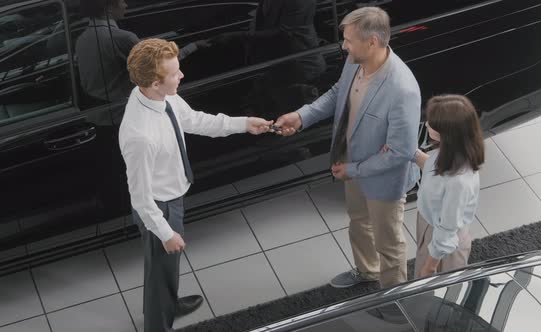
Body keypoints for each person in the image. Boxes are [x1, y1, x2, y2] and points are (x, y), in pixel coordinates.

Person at [119, 38, 272, 332]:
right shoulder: (140, 135)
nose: (182, 76)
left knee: (166, 266)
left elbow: (195, 121)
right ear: (153, 82)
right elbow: (139, 198)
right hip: (158, 208)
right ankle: (157, 324)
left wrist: (243, 124)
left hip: (170, 197)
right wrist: (165, 232)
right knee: (161, 266)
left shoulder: (159, 97)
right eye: (175, 73)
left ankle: (169, 303)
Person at [275, 7, 421, 289]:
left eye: (349, 40)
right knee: (359, 222)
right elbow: (335, 94)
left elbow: (400, 152)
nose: (343, 46)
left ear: (372, 42)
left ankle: (393, 303)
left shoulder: (403, 89)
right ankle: (367, 272)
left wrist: (353, 169)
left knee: (388, 243)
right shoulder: (356, 61)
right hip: (352, 164)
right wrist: (302, 116)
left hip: (382, 179)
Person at [75, 0, 208, 103]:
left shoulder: (81, 40)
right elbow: (162, 64)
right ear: (109, 8)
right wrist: (194, 45)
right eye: (122, 1)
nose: (126, 5)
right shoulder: (122, 37)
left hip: (98, 114)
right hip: (125, 110)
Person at [413, 94, 484, 279]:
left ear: (447, 132)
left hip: (443, 243)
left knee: (427, 296)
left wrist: (429, 268)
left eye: (432, 123)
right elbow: (434, 168)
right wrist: (409, 151)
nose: (427, 124)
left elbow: (446, 232)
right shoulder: (449, 151)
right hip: (431, 224)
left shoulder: (459, 182)